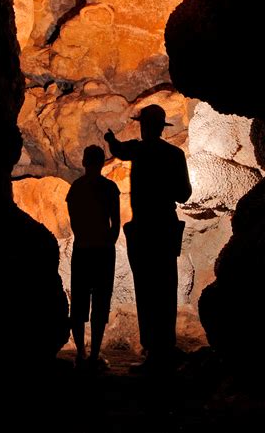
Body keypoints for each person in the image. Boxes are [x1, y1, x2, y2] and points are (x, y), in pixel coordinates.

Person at [104, 104, 192, 372]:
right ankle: (166, 346)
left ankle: (153, 349)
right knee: (166, 286)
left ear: (144, 126)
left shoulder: (138, 150)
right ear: (161, 127)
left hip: (143, 229)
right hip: (165, 228)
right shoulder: (175, 155)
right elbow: (184, 194)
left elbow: (119, 150)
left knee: (146, 288)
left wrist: (110, 140)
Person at [66, 145, 121, 370]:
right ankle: (95, 355)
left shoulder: (76, 188)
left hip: (82, 249)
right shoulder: (109, 187)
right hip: (103, 251)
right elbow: (115, 222)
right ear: (101, 163)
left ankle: (81, 353)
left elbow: (74, 222)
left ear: (83, 162)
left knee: (78, 303)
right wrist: (109, 242)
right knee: (100, 302)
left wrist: (84, 237)